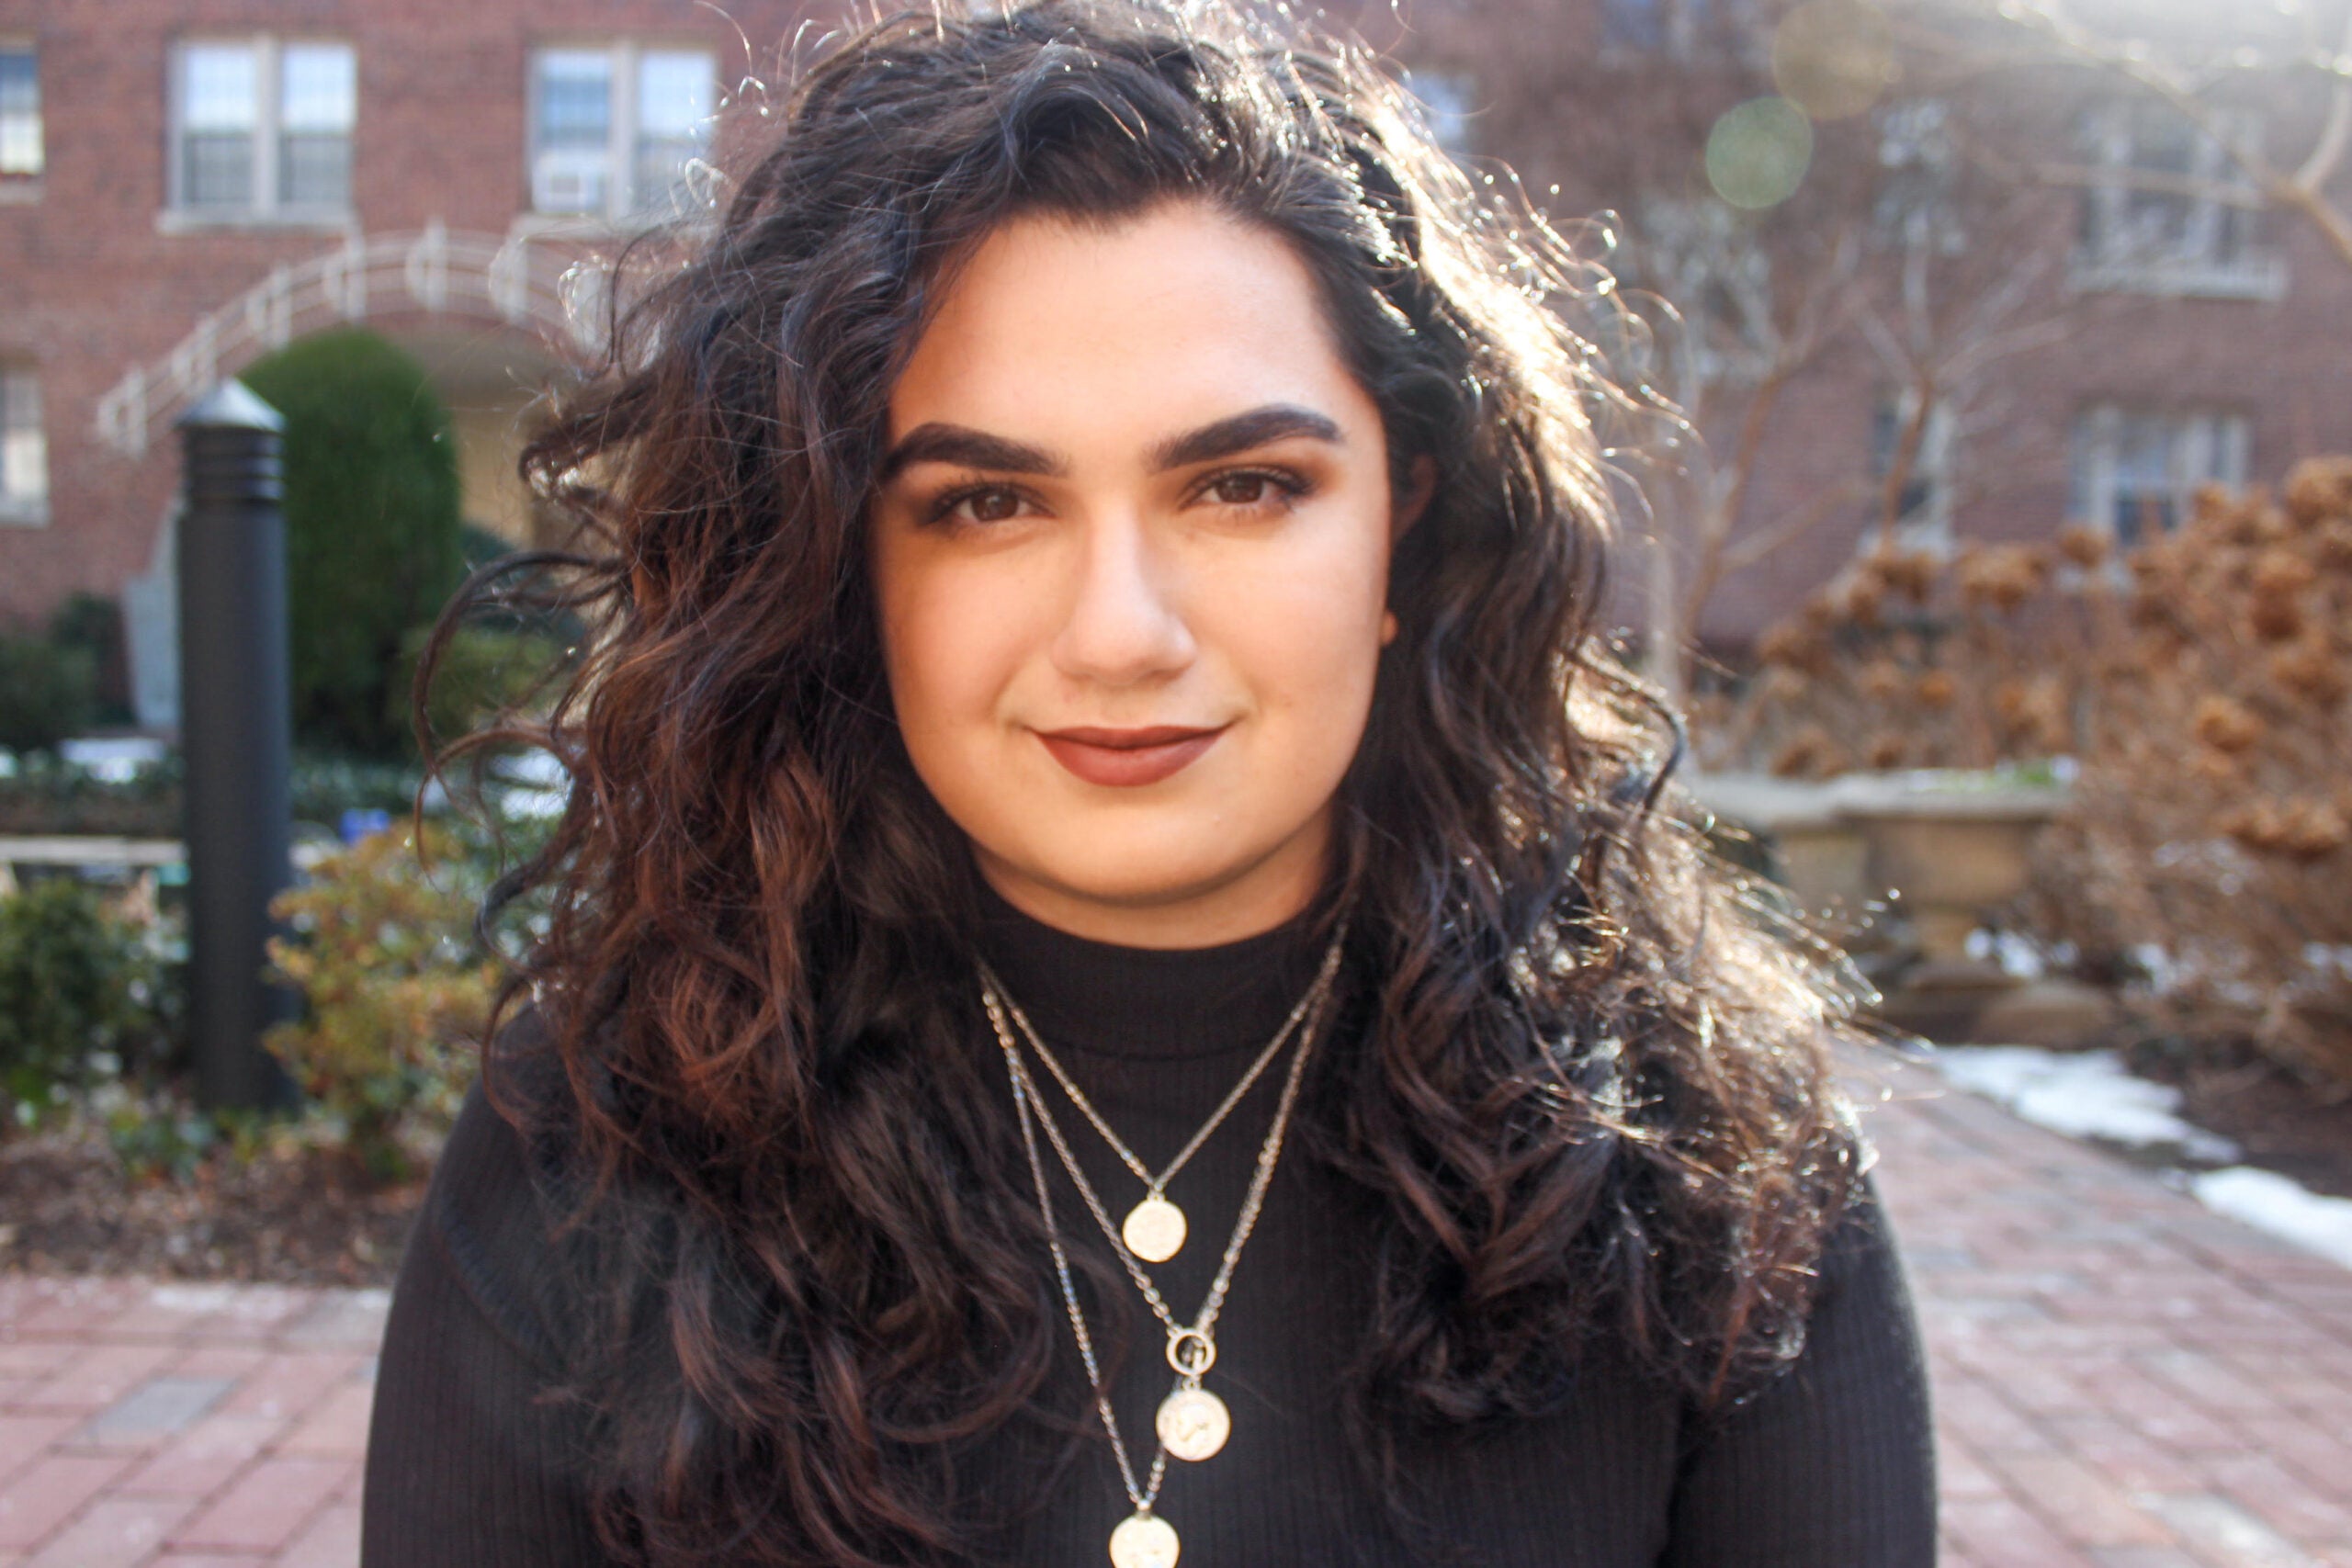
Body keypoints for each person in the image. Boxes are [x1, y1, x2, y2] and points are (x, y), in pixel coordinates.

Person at [360, 1, 1937, 1563]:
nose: (1122, 634)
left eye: (1243, 487)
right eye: (985, 503)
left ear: (1408, 522)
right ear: (843, 561)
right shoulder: (596, 1148)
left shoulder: (1718, 1186)